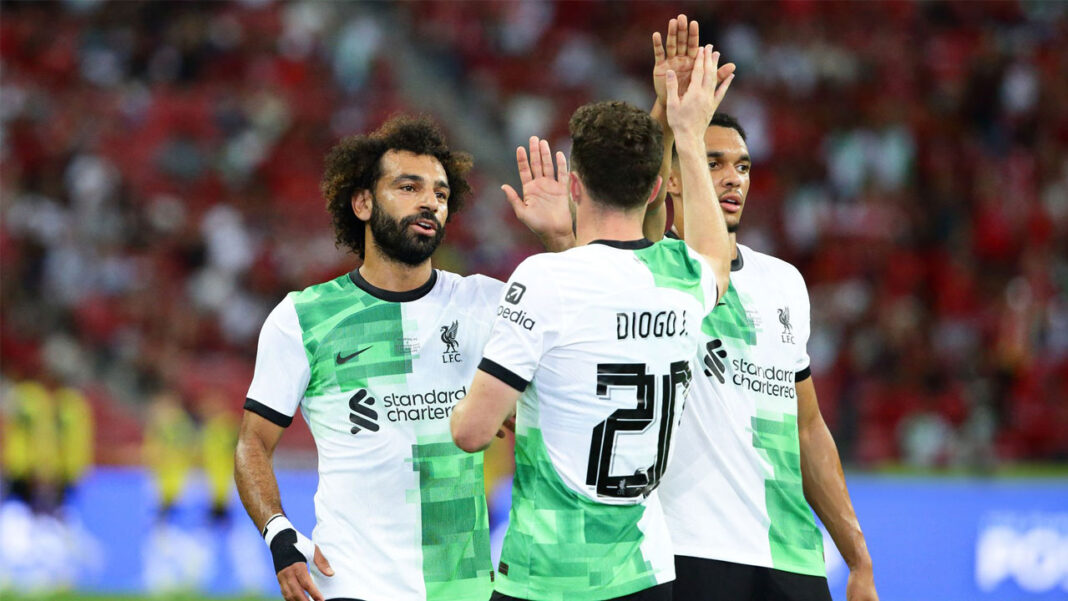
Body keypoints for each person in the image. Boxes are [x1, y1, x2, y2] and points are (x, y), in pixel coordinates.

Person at [234, 115, 571, 601]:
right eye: (409, 187)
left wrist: (560, 241)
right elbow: (252, 442)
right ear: (362, 203)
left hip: (462, 588)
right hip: (350, 584)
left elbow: (583, 336)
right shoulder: (304, 318)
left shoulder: (485, 303)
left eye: (440, 193)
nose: (429, 201)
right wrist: (278, 533)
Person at [451, 46, 735, 601]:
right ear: (655, 190)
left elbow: (471, 433)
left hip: (550, 575)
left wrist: (491, 400)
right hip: (645, 573)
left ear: (575, 187)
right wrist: (687, 130)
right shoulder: (686, 278)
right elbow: (713, 257)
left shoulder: (546, 280)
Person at [643, 15, 879, 601]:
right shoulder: (653, 268)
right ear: (675, 179)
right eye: (713, 162)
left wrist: (858, 557)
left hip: (790, 555)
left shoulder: (783, 282)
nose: (733, 179)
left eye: (743, 166)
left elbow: (808, 426)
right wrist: (667, 119)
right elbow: (638, 205)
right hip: (691, 550)